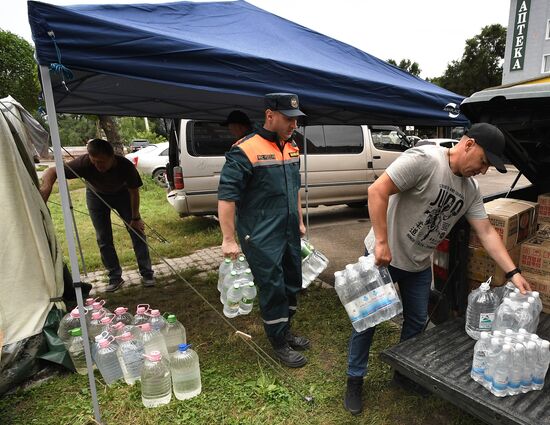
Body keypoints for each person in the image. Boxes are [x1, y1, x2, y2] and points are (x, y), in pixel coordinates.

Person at [343, 123, 532, 415]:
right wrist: (381, 241)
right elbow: (377, 191)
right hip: (383, 257)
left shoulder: (470, 189)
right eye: (483, 162)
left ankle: (403, 373)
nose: (483, 170)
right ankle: (355, 379)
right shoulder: (425, 161)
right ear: (468, 144)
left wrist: (513, 272)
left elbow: (486, 232)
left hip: (418, 266)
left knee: (416, 324)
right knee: (367, 321)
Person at [217, 93, 309, 368]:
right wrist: (228, 239)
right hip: (260, 234)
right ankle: (278, 341)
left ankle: (286, 329)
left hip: (289, 230)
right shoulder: (244, 149)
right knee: (272, 287)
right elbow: (226, 196)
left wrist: (300, 220)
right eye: (288, 119)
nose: (294, 124)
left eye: (296, 119)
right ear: (270, 115)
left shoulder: (292, 147)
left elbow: (294, 189)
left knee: (292, 281)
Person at [40, 138, 155, 292]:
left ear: (112, 157)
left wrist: (136, 218)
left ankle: (147, 274)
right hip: (96, 196)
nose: (97, 165)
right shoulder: (84, 163)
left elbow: (134, 191)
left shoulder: (125, 166)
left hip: (123, 195)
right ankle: (115, 277)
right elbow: (52, 171)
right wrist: (45, 190)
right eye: (94, 161)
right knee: (103, 237)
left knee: (137, 231)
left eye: (101, 162)